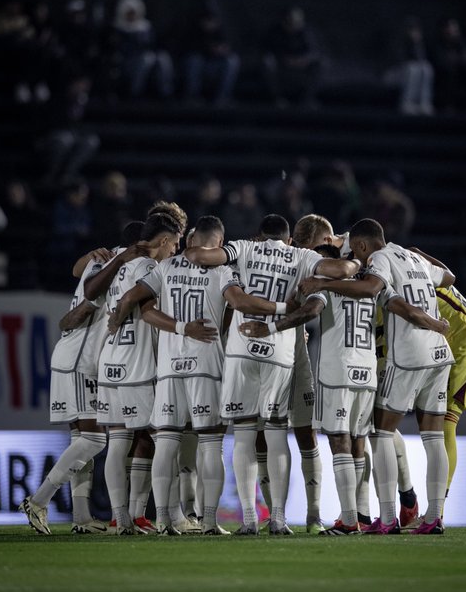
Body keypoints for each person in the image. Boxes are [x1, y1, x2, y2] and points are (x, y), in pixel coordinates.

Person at [109, 215, 293, 535]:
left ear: (193, 241)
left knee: (166, 444)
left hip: (168, 368)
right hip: (207, 366)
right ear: (220, 244)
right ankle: (208, 521)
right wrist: (281, 309)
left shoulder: (165, 268)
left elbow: (142, 306)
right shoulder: (224, 270)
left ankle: (165, 519)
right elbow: (237, 301)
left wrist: (122, 321)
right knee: (210, 445)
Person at [184, 214, 360, 535]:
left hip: (241, 349)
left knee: (245, 437)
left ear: (258, 235)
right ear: (288, 238)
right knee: (279, 436)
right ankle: (279, 518)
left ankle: (250, 520)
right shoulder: (301, 256)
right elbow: (346, 269)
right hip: (280, 351)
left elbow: (198, 256)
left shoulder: (243, 249)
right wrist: (321, 278)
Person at [300, 218, 455, 535]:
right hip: (435, 355)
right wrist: (419, 254)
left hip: (405, 355)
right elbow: (449, 277)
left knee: (379, 434)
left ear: (360, 246)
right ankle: (433, 515)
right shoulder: (409, 258)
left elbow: (373, 289)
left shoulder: (377, 263)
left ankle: (383, 519)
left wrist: (321, 284)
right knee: (432, 436)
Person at [17, 227, 143, 535]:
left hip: (74, 356)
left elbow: (77, 271)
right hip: (80, 360)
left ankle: (82, 517)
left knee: (80, 441)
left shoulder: (100, 260)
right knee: (95, 439)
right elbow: (85, 303)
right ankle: (39, 500)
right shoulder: (118, 267)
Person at [93, 213, 181, 535]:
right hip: (137, 367)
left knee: (118, 442)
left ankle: (123, 518)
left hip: (111, 363)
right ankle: (168, 517)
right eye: (174, 243)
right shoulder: (148, 268)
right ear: (162, 241)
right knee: (164, 439)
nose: (175, 250)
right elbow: (147, 312)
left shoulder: (119, 267)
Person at [409, 248, 466, 504]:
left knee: (446, 421)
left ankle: (438, 508)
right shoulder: (424, 274)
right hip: (448, 346)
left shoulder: (408, 280)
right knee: (430, 422)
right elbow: (448, 273)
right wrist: (419, 253)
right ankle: (432, 507)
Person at [111, 0, 173, 99]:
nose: (132, 16)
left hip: (149, 61)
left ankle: (166, 92)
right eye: (129, 13)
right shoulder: (118, 28)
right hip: (127, 62)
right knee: (146, 59)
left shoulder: (145, 27)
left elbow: (154, 45)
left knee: (163, 57)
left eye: (134, 13)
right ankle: (135, 93)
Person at [263, 7, 323, 108]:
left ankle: (307, 99)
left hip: (301, 63)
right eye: (289, 20)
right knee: (266, 63)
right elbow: (267, 50)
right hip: (281, 63)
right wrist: (282, 59)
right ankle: (278, 98)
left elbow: (314, 51)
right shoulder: (275, 32)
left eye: (296, 21)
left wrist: (302, 60)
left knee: (319, 66)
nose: (293, 24)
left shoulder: (307, 32)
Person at [182, 5, 240, 107]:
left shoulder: (221, 32)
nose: (210, 24)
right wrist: (208, 49)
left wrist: (222, 51)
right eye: (207, 21)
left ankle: (222, 97)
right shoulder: (195, 32)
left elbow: (230, 48)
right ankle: (192, 97)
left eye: (213, 20)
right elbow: (189, 49)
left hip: (216, 66)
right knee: (194, 59)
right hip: (201, 65)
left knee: (232, 60)